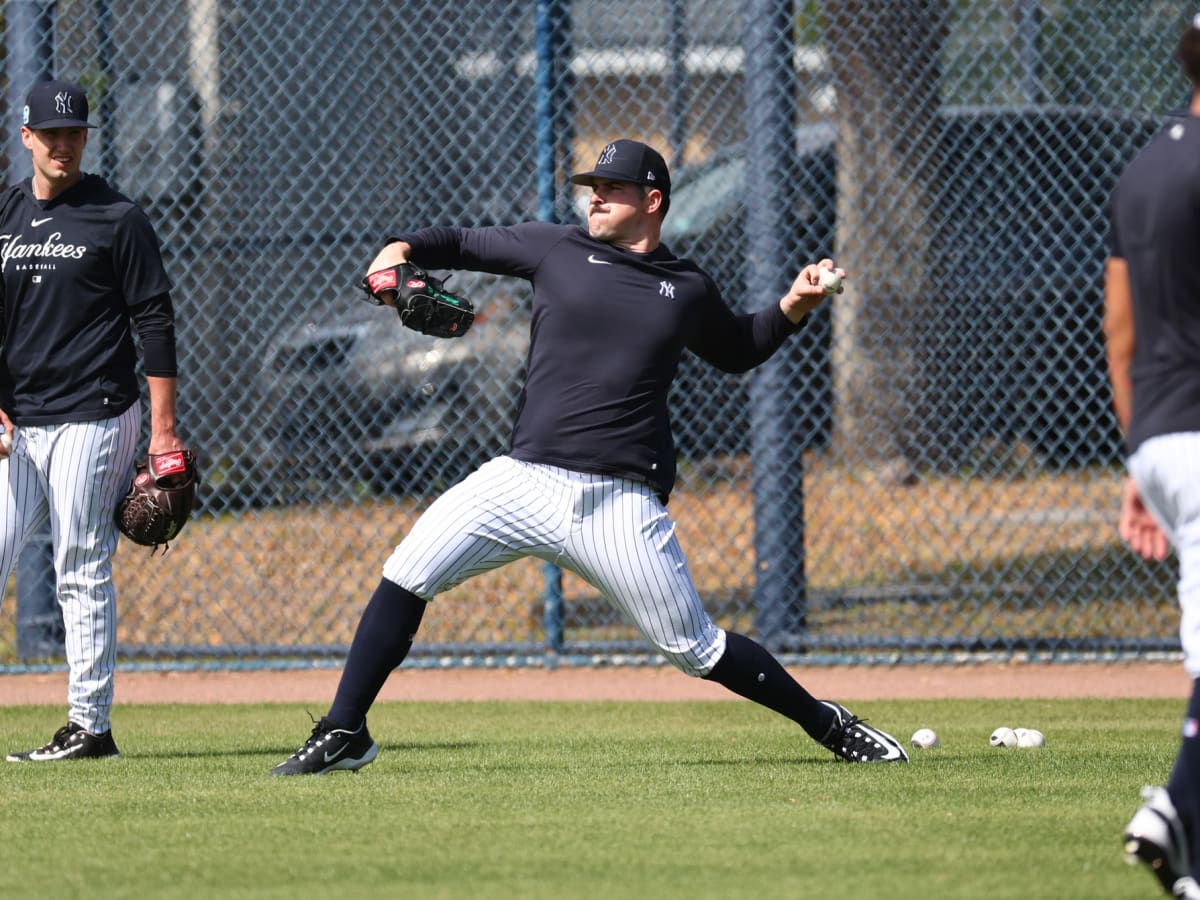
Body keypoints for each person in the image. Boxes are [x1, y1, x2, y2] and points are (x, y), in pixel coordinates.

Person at [272, 138, 908, 776]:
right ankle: (344, 730)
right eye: (592, 186)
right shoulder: (557, 248)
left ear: (652, 201)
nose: (595, 197)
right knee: (408, 571)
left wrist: (794, 306)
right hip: (522, 480)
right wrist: (398, 249)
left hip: (618, 501)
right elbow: (460, 241)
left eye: (612, 189)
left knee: (697, 650)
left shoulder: (685, 287)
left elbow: (737, 349)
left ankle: (828, 723)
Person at [0, 79, 186, 761]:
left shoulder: (117, 216)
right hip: (18, 425)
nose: (63, 143)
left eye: (74, 132)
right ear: (26, 137)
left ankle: (89, 726)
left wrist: (163, 430)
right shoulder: (7, 213)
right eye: (50, 132)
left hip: (93, 414)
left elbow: (155, 321)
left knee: (79, 563)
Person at [1106, 19, 1200, 899]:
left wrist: (1141, 460)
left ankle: (1187, 852)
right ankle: (1175, 807)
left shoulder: (1142, 169)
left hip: (1165, 437)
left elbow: (1120, 328)